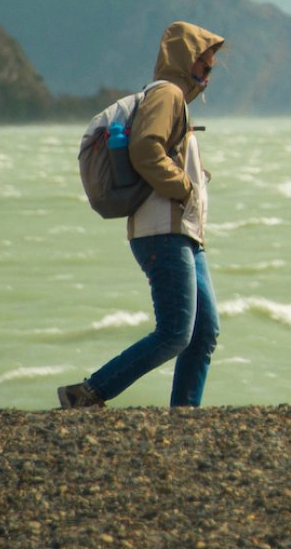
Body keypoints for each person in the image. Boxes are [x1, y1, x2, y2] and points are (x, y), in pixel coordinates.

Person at [59, 21, 226, 409]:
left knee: (202, 333)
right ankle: (89, 393)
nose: (208, 74)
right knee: (175, 332)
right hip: (162, 231)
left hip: (182, 233)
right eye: (204, 65)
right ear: (186, 60)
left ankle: (185, 413)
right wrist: (184, 188)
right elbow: (145, 150)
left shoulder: (174, 99)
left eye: (212, 68)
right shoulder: (167, 94)